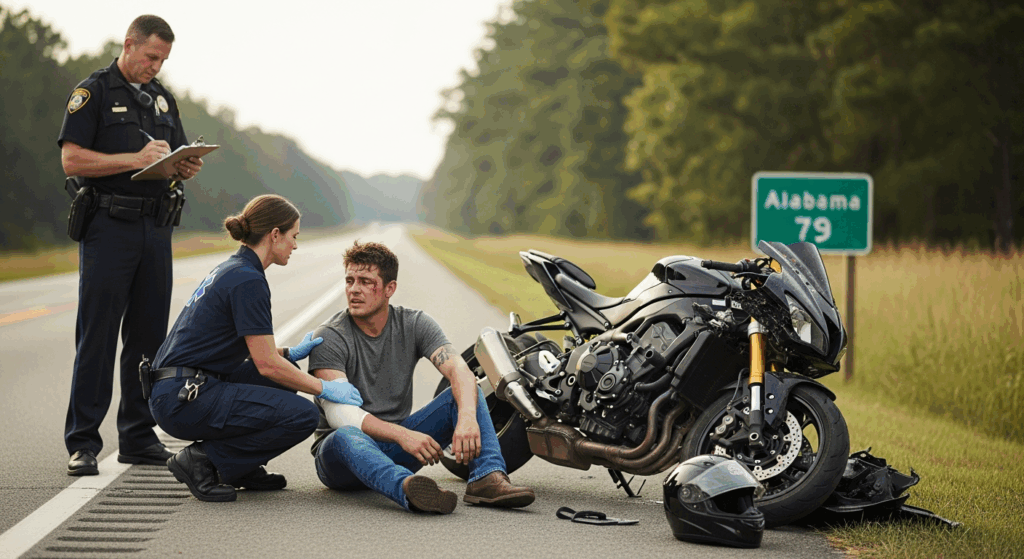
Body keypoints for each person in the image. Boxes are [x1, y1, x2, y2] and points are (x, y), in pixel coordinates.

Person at [58, 15, 205, 476]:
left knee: (147, 340)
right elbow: (71, 159)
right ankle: (82, 443)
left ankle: (138, 437)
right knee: (97, 338)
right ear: (129, 45)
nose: (156, 67)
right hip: (108, 226)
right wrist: (133, 159)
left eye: (162, 60)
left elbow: (174, 152)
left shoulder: (162, 97)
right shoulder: (94, 91)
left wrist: (184, 165)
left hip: (155, 229)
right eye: (151, 57)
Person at [148, 195, 363, 502]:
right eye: (293, 236)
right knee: (301, 415)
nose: (295, 245)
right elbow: (267, 365)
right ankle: (202, 461)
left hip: (178, 386)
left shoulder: (233, 268)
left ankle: (240, 466)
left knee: (284, 376)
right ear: (275, 234)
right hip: (183, 397)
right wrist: (324, 388)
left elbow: (240, 348)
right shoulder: (247, 280)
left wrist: (288, 354)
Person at [308, 241, 535, 514]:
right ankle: (408, 489)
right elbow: (341, 415)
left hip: (395, 449)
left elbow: (459, 370)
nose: (353, 289)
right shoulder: (329, 336)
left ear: (389, 288)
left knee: (464, 390)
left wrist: (465, 418)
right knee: (346, 434)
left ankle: (486, 478)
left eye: (365, 281)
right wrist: (405, 435)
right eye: (349, 280)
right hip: (341, 460)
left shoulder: (413, 323)